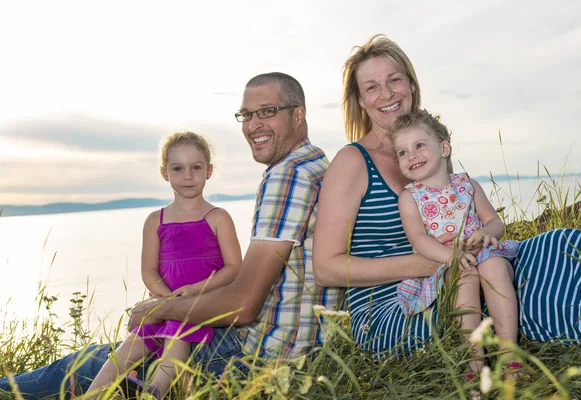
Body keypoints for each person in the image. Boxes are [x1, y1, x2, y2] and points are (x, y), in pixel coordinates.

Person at [0, 72, 342, 399]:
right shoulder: (316, 165)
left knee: (90, 361)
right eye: (246, 115)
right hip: (296, 347)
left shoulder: (287, 176)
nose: (253, 125)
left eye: (268, 112)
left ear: (299, 115)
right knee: (123, 351)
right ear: (166, 173)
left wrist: (161, 309)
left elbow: (243, 304)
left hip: (256, 357)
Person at [313, 34, 581, 359]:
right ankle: (570, 327)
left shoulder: (424, 149)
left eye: (395, 79)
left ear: (411, 85)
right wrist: (433, 263)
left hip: (457, 267)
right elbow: (326, 268)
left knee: (559, 244)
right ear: (361, 101)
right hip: (393, 307)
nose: (387, 93)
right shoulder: (352, 162)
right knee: (515, 293)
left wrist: (478, 244)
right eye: (372, 87)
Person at [85, 131, 243, 399]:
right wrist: (166, 298)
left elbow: (233, 267)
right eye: (178, 168)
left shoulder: (218, 217)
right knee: (127, 348)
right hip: (165, 303)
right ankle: (91, 395)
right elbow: (148, 270)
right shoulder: (155, 220)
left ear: (209, 170)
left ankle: (153, 392)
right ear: (164, 173)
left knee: (176, 337)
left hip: (203, 304)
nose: (188, 175)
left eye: (196, 167)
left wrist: (194, 291)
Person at [392, 109, 520, 376]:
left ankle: (510, 356)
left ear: (444, 148)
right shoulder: (410, 197)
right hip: (448, 263)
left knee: (493, 268)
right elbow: (418, 239)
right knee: (465, 276)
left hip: (483, 253)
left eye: (419, 145)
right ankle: (473, 363)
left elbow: (495, 222)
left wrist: (488, 233)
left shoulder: (468, 185)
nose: (411, 155)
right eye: (402, 152)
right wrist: (451, 257)